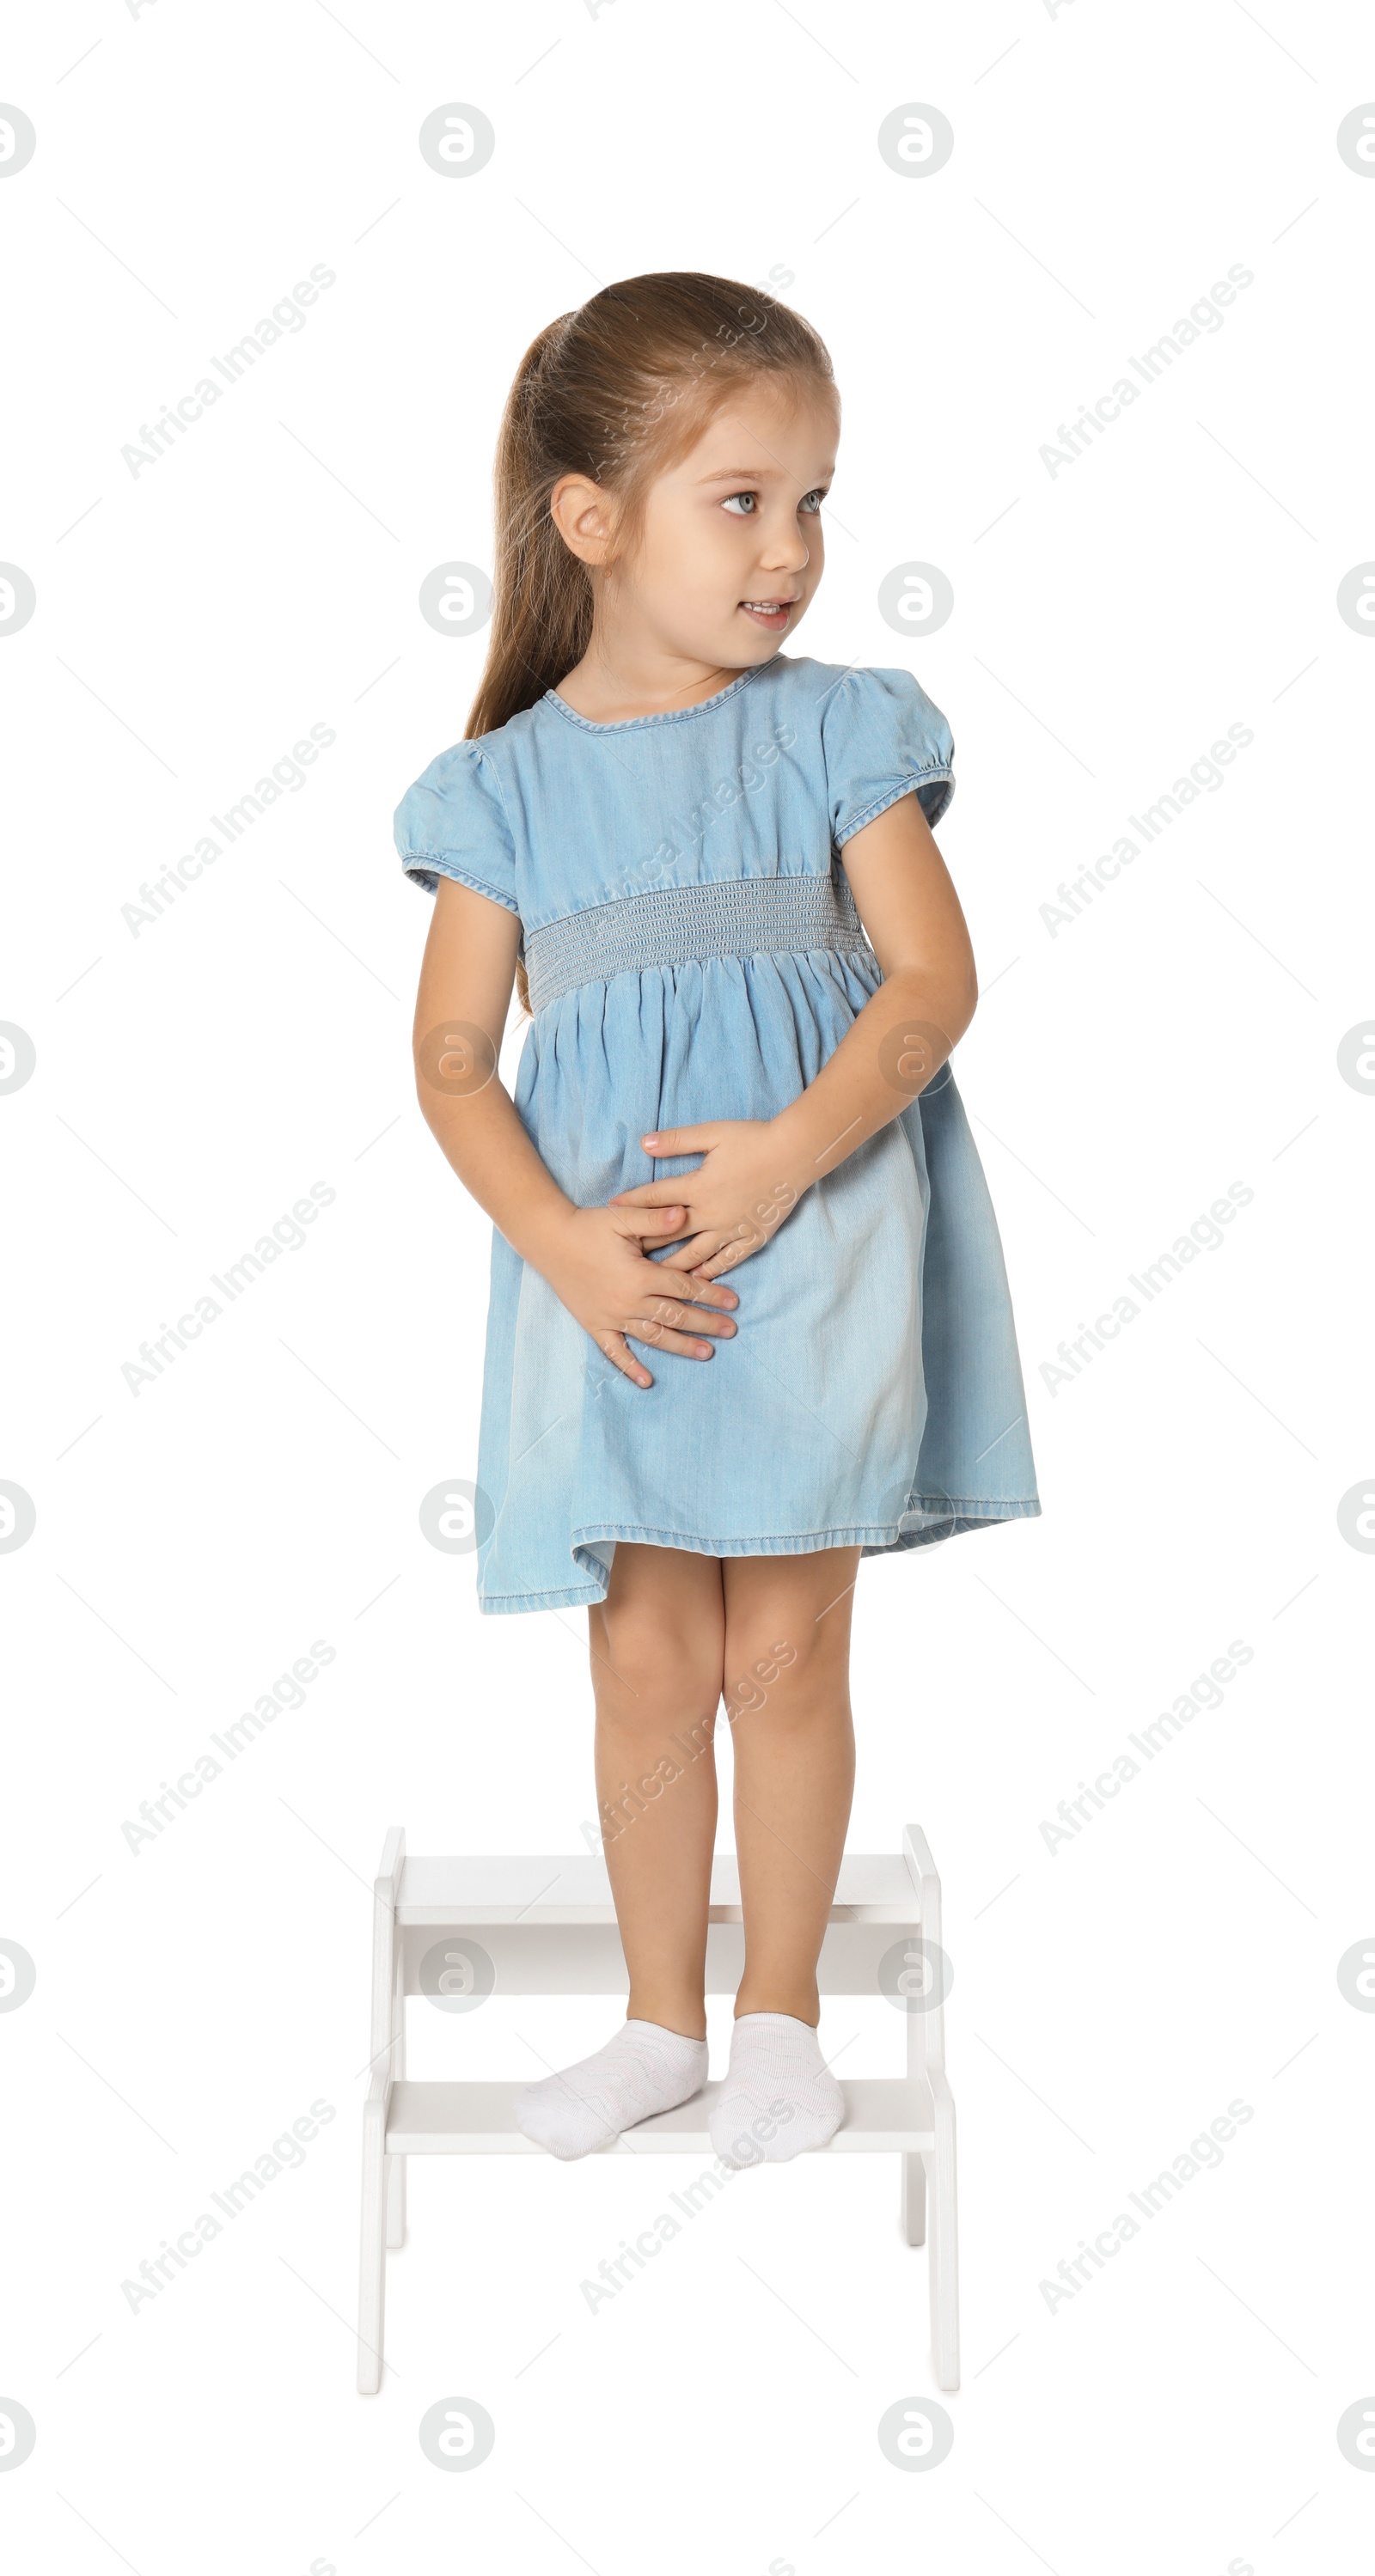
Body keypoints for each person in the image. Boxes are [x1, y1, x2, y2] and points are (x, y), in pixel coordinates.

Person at [394, 272, 1039, 2170]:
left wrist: (779, 1155)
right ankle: (658, 2014)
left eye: (814, 499)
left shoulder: (838, 729)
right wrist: (565, 1245)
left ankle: (777, 2015)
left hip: (818, 1239)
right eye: (739, 498)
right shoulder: (499, 789)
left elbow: (926, 982)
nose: (790, 549)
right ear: (591, 518)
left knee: (786, 1645)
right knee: (647, 1652)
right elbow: (448, 1060)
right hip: (609, 1283)